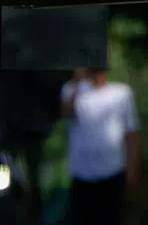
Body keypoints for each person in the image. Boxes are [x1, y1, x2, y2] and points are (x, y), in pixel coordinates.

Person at [60, 67, 141, 225]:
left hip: (113, 174)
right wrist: (77, 81)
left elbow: (131, 134)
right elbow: (66, 113)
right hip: (82, 177)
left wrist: (132, 168)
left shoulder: (122, 93)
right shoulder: (72, 91)